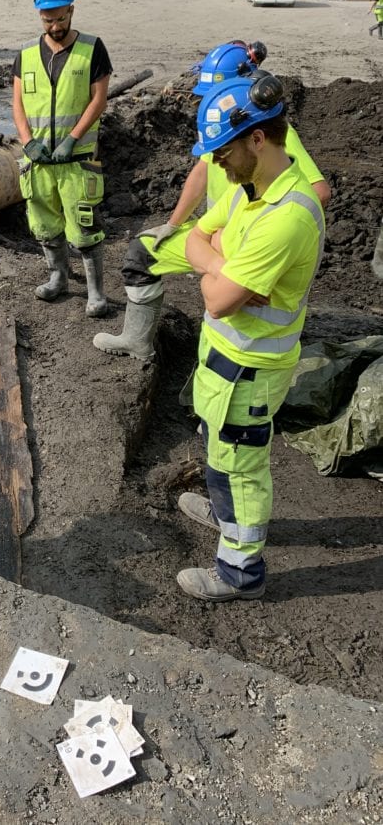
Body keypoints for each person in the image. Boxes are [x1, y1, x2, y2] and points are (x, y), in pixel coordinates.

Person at [174, 74, 325, 602]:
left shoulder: (288, 216)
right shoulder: (248, 191)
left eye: (223, 152)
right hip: (225, 358)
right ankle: (222, 511)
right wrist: (223, 269)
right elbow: (195, 237)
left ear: (257, 139)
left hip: (251, 370)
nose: (216, 163)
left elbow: (215, 300)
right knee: (220, 449)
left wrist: (219, 282)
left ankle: (241, 574)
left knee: (242, 468)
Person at [93, 49, 330, 359]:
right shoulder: (225, 132)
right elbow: (202, 172)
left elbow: (318, 192)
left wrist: (236, 244)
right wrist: (174, 225)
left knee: (227, 300)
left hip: (240, 240)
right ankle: (137, 340)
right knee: (142, 252)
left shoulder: (269, 136)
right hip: (215, 233)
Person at [12, 0, 113, 316]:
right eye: (47, 19)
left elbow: (99, 99)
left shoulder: (91, 49)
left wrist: (72, 140)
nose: (54, 26)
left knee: (84, 226)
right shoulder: (25, 55)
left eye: (60, 18)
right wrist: (27, 143)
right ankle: (58, 277)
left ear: (71, 9)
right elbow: (18, 105)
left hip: (77, 158)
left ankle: (96, 292)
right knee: (44, 223)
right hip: (39, 162)